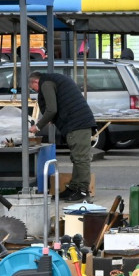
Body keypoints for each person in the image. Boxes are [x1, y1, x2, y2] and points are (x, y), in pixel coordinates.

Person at [29, 70, 97, 202]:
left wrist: (37, 126)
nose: (37, 92)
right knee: (77, 157)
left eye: (34, 89)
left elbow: (52, 109)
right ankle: (74, 188)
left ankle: (82, 192)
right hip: (77, 122)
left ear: (36, 81)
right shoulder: (53, 80)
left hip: (78, 123)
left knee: (81, 158)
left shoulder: (46, 83)